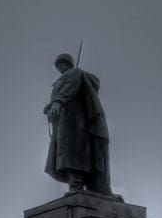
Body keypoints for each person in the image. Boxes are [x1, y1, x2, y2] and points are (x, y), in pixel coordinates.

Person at [44, 52, 111, 195]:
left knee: (74, 154)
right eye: (58, 65)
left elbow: (71, 88)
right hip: (64, 123)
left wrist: (57, 101)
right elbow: (61, 96)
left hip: (75, 122)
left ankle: (76, 185)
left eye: (62, 63)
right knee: (67, 155)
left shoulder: (75, 73)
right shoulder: (60, 81)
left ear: (69, 63)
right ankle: (75, 185)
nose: (60, 67)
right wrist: (51, 106)